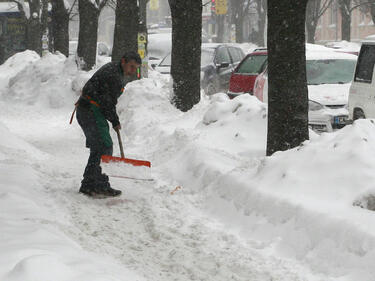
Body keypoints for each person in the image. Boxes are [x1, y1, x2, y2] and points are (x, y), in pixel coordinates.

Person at [76, 51, 142, 197]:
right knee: (103, 146)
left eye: (136, 68)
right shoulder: (113, 75)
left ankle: (94, 184)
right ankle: (95, 185)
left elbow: (107, 100)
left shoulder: (115, 71)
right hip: (89, 110)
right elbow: (107, 102)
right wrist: (115, 120)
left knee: (100, 147)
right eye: (132, 67)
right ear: (123, 62)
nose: (133, 71)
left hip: (90, 110)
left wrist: (113, 119)